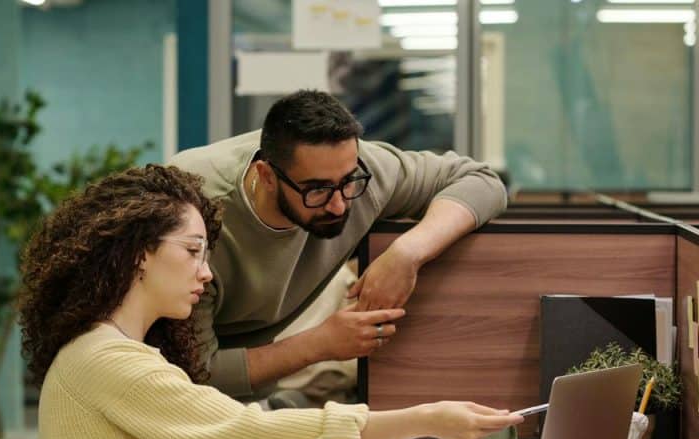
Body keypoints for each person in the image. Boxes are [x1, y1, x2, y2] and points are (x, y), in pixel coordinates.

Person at [19, 164, 523, 439]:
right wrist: (428, 420)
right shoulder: (106, 365)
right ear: (137, 257)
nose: (206, 272)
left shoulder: (126, 357)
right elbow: (246, 435)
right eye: (192, 252)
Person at [169, 90, 509, 399]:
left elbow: (481, 181)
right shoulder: (190, 216)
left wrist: (408, 253)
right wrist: (320, 344)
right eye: (316, 189)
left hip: (247, 398)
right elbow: (191, 375)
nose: (339, 205)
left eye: (348, 182)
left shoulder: (361, 171)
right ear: (267, 176)